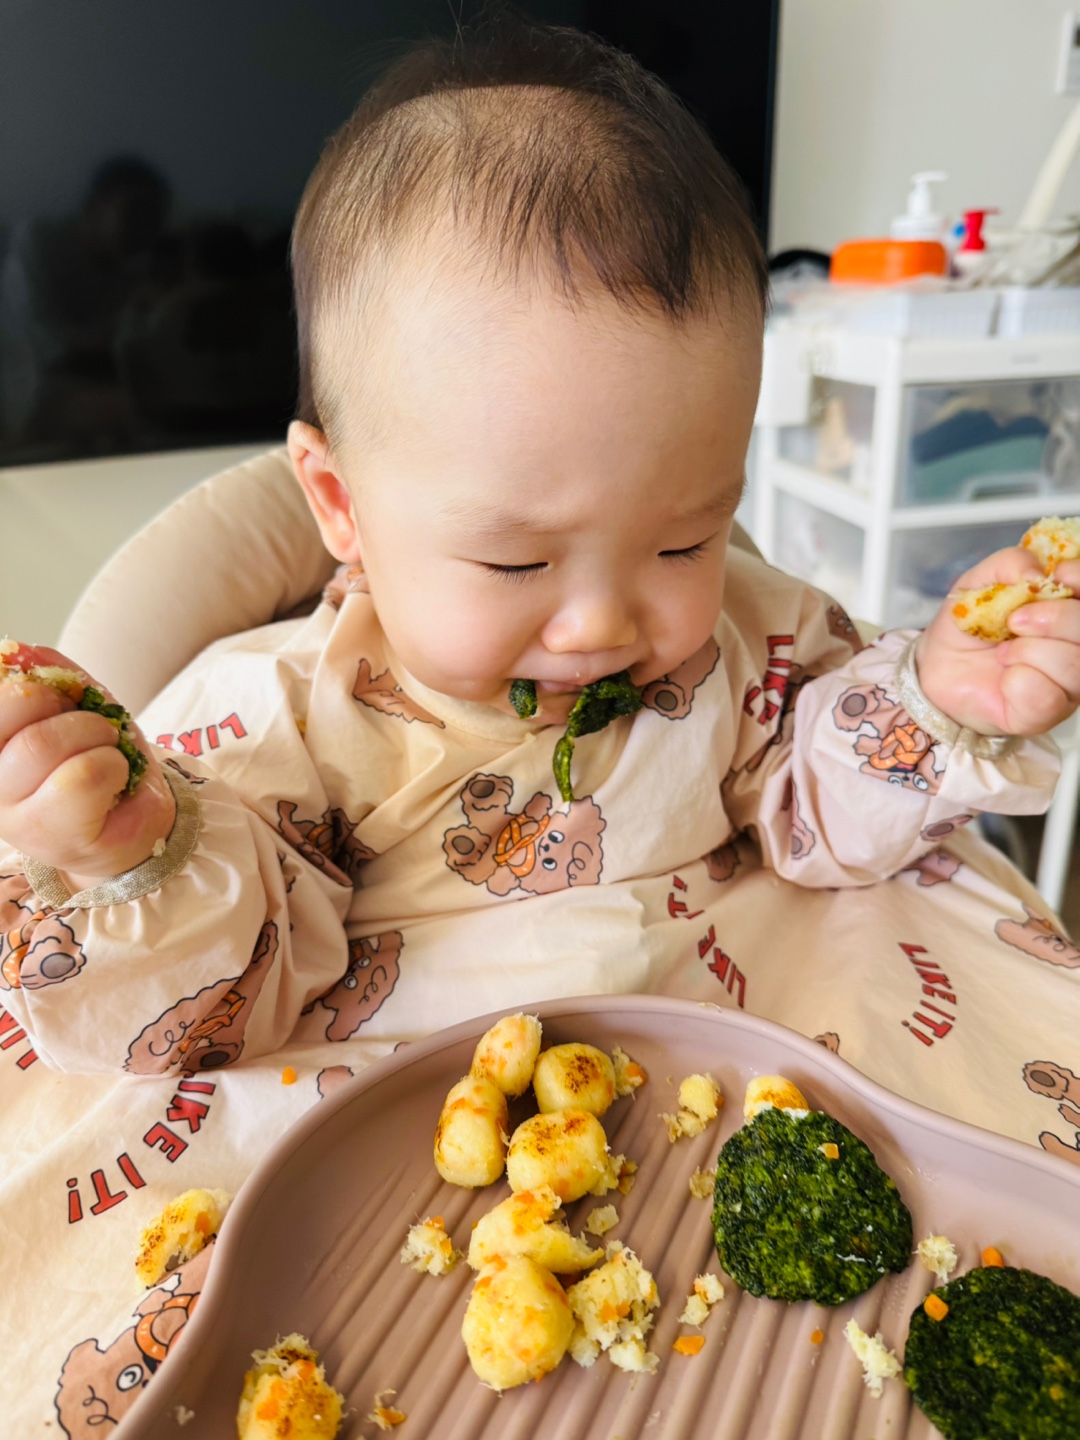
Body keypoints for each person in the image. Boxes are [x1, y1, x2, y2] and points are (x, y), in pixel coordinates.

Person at [1, 20, 1080, 1424]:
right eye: (517, 562)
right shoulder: (277, 712)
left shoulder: (743, 634)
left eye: (685, 539)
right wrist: (137, 853)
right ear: (341, 507)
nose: (602, 624)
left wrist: (930, 702)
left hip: (743, 1052)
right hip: (394, 1147)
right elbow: (227, 996)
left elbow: (813, 794)